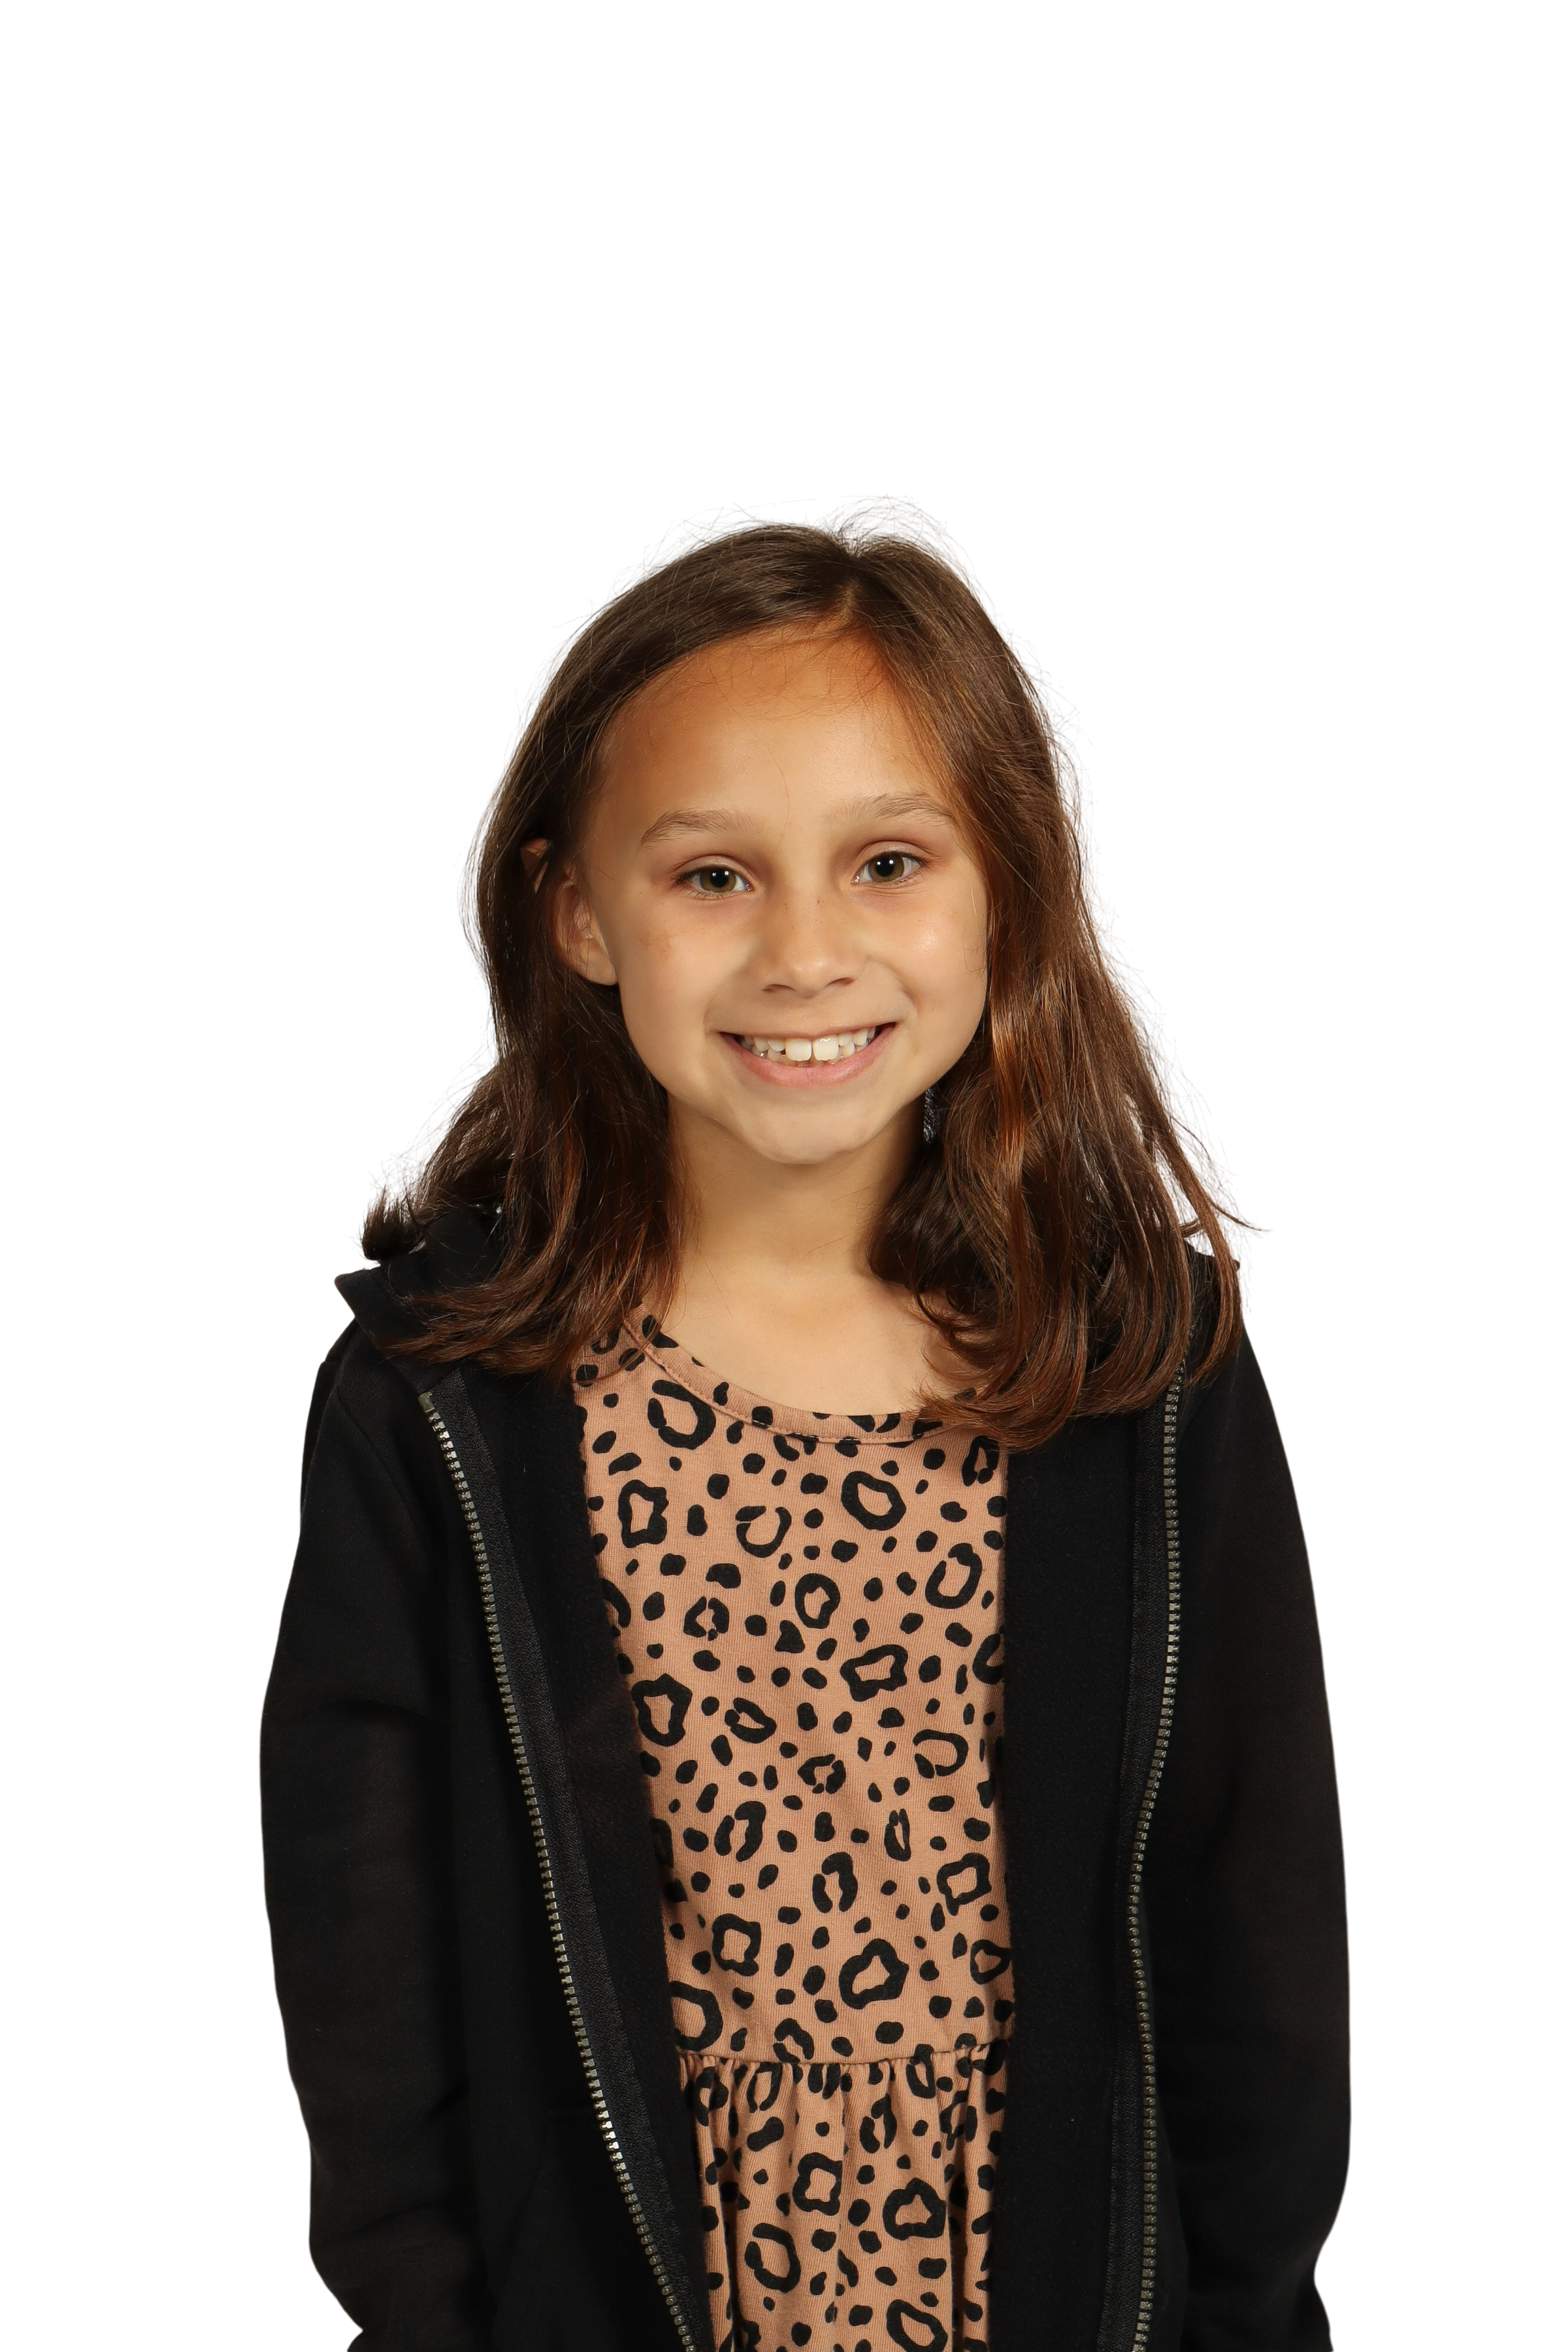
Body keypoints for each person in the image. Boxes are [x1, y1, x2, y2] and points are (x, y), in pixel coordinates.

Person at [257, 493, 1352, 2352]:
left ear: (1008, 888)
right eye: (714, 875)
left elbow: (1257, 1934)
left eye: (887, 862)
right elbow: (368, 1985)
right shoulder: (440, 1408)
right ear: (578, 911)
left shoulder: (1141, 1375)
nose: (805, 954)